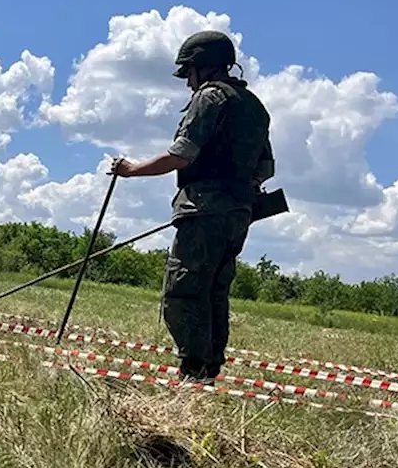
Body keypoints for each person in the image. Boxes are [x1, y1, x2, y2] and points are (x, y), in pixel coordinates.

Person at [109, 30, 274, 385]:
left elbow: (182, 154)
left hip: (203, 210)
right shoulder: (254, 106)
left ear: (205, 68)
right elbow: (266, 168)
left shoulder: (210, 97)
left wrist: (131, 170)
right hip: (239, 213)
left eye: (189, 74)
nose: (187, 83)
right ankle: (207, 374)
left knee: (183, 292)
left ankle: (194, 375)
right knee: (215, 292)